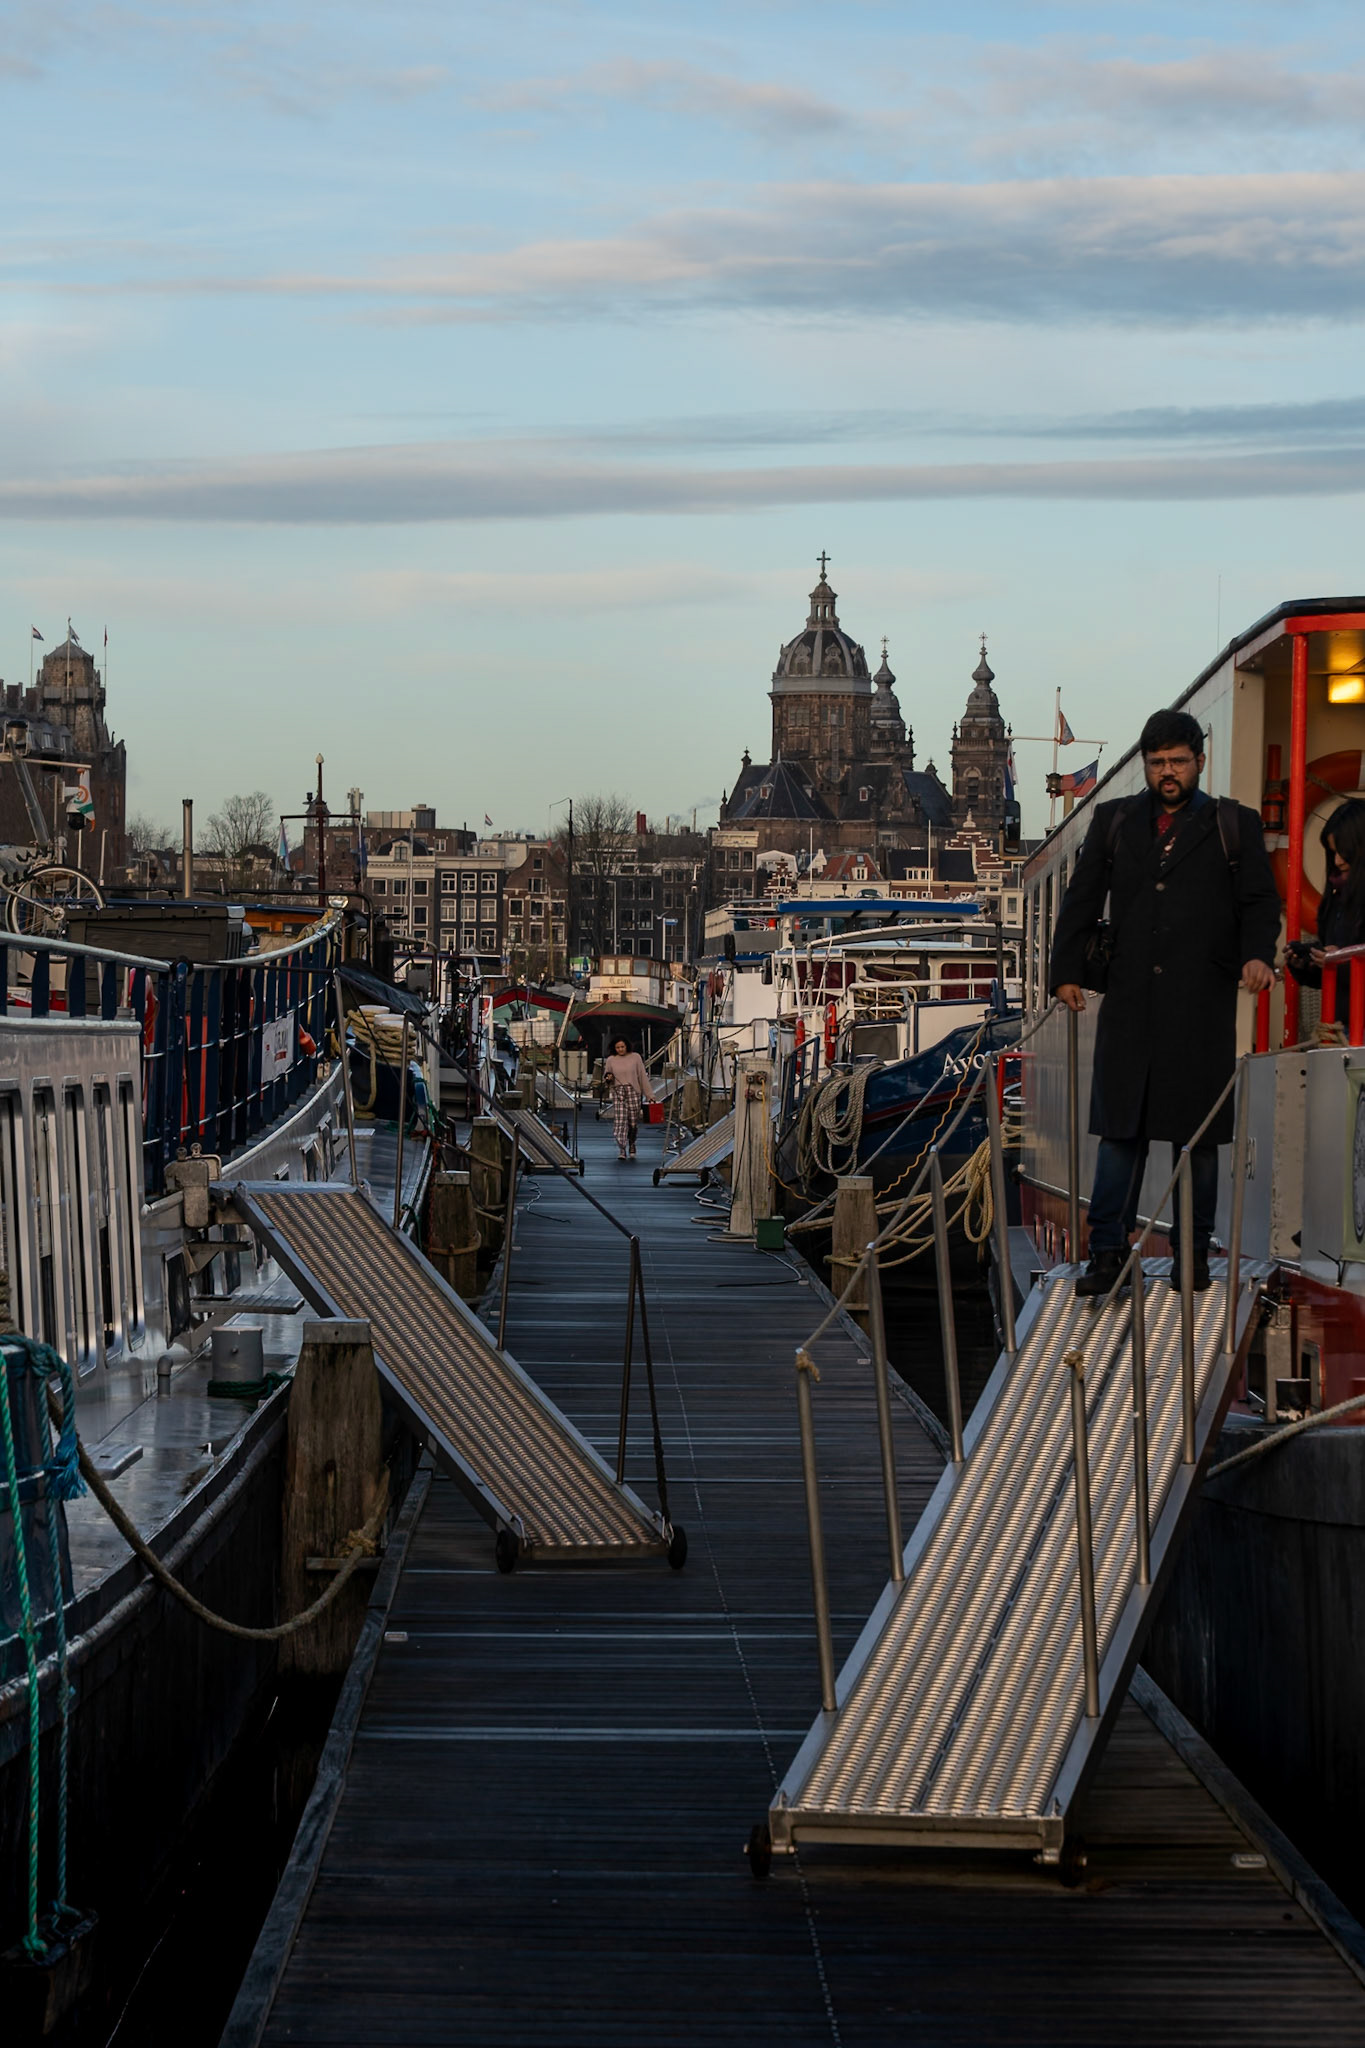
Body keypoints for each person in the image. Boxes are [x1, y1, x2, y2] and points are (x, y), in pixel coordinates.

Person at [1049, 708, 1281, 1297]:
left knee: (1197, 1140)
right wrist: (1065, 972)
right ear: (1147, 768)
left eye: (1178, 761)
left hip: (1199, 1005)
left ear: (1200, 761)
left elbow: (1259, 902)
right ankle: (1107, 1255)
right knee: (1119, 1133)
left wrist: (1258, 955)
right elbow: (1081, 900)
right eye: (1158, 764)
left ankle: (1191, 1257)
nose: (1168, 772)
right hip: (1129, 1003)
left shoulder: (1234, 824)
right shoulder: (1113, 821)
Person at [1284, 799, 1365, 1026]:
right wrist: (1306, 965)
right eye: (1332, 853)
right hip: (1341, 1028)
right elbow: (1332, 979)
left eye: (1344, 853)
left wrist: (1340, 960)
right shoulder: (1336, 899)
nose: (1338, 861)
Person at [603, 1036, 655, 1161]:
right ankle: (622, 1148)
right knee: (620, 1121)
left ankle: (632, 1143)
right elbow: (606, 1078)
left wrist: (650, 1096)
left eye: (622, 1047)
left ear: (626, 1046)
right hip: (618, 1092)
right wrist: (608, 1079)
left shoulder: (636, 1057)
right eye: (617, 1047)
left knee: (632, 1121)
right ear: (614, 1048)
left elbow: (642, 1076)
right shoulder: (611, 1060)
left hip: (633, 1091)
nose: (620, 1049)